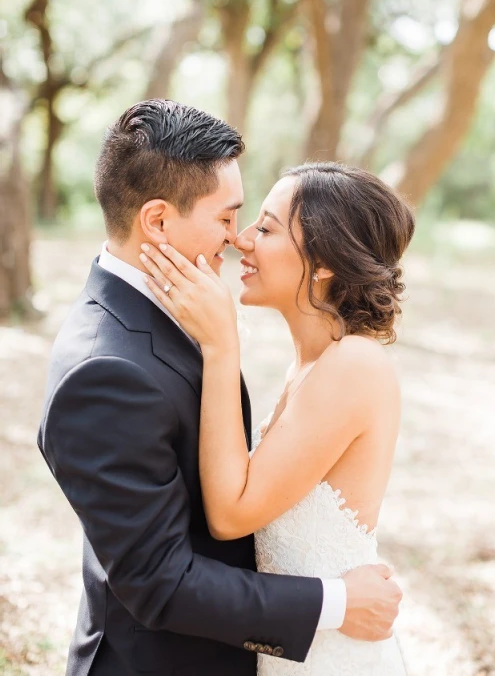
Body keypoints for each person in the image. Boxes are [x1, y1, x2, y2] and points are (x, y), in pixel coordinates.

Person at [38, 100, 403, 676]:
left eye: (260, 224)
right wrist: (334, 604)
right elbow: (160, 579)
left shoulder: (183, 312)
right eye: (229, 217)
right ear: (157, 221)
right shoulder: (103, 370)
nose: (238, 241)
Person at [141, 159, 415, 674]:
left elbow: (230, 514)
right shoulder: (309, 365)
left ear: (326, 260)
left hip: (333, 657)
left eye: (265, 227)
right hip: (294, 646)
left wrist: (221, 346)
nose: (241, 240)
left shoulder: (354, 365)